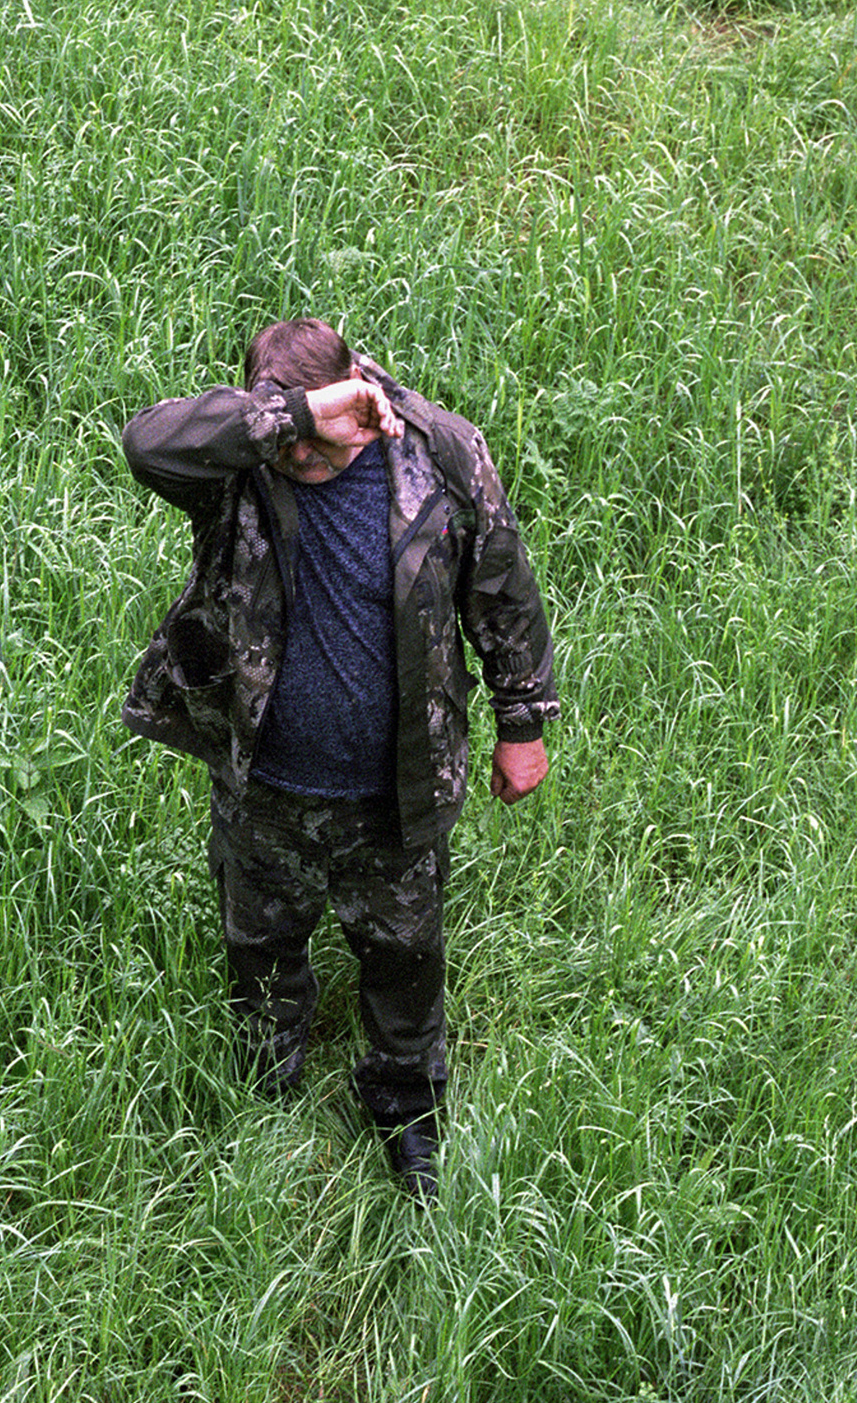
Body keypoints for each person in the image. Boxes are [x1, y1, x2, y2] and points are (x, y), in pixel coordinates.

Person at [120, 316, 556, 1199]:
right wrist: (293, 421)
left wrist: (523, 721)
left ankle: (406, 1108)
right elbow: (146, 442)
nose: (304, 464)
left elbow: (502, 585)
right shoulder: (245, 458)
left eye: (320, 444)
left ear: (358, 382)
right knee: (259, 939)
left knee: (404, 956)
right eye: (291, 443)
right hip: (263, 783)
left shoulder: (441, 452)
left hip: (394, 788)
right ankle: (266, 1074)